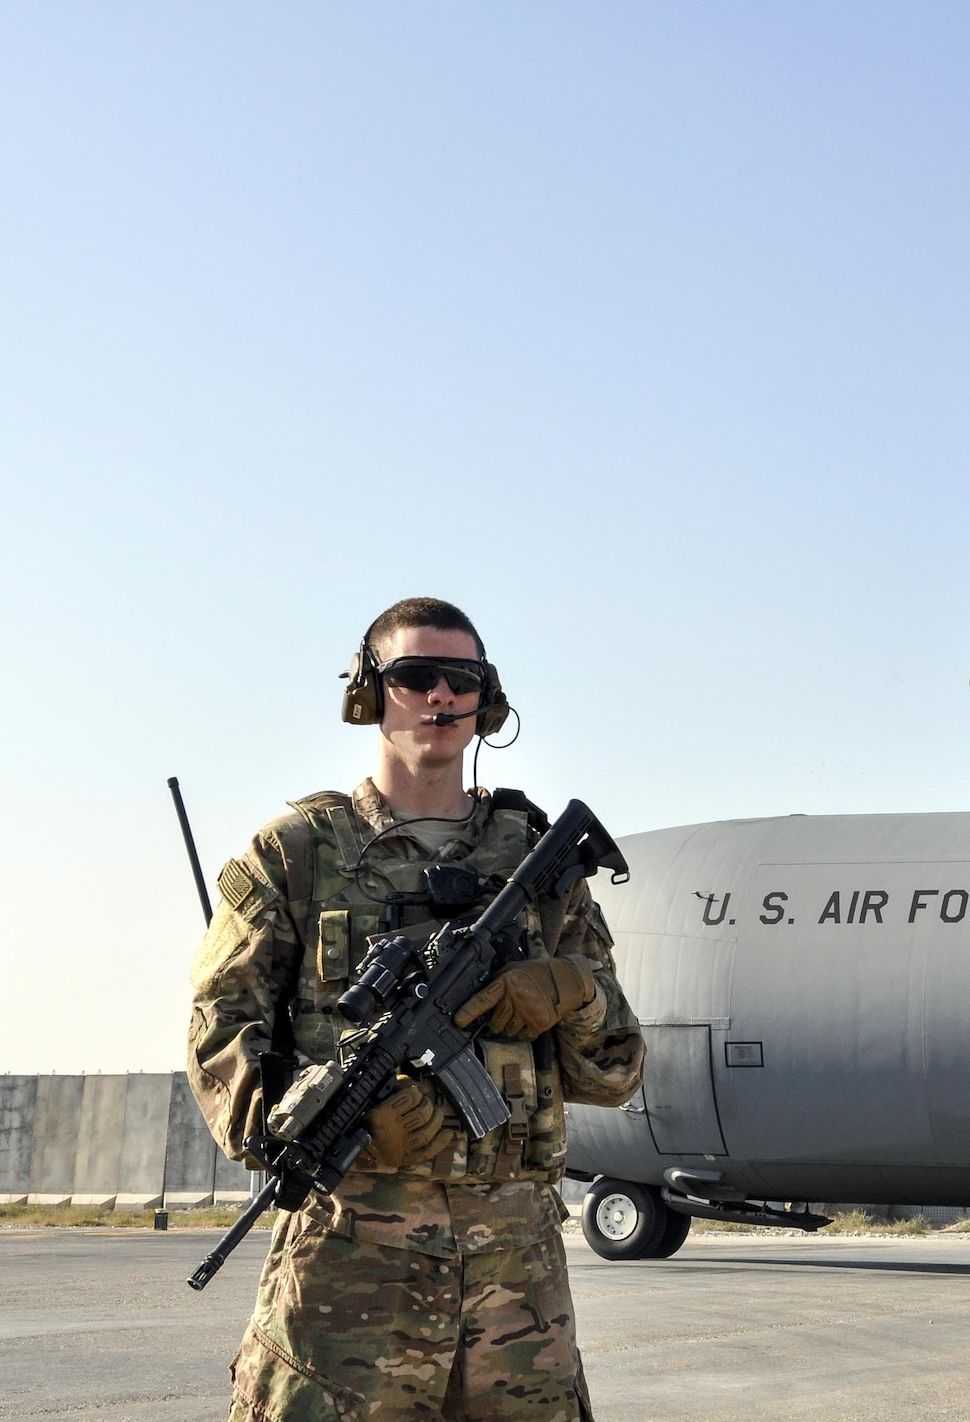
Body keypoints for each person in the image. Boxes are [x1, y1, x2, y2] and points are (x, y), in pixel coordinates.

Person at [187, 597, 645, 1420]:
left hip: (518, 1283)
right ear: (369, 692)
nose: (439, 697)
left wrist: (571, 991)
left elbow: (613, 1072)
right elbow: (220, 1042)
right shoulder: (296, 853)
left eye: (460, 679)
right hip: (346, 1273)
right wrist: (320, 1116)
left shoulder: (536, 862)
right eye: (414, 676)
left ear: (486, 700)